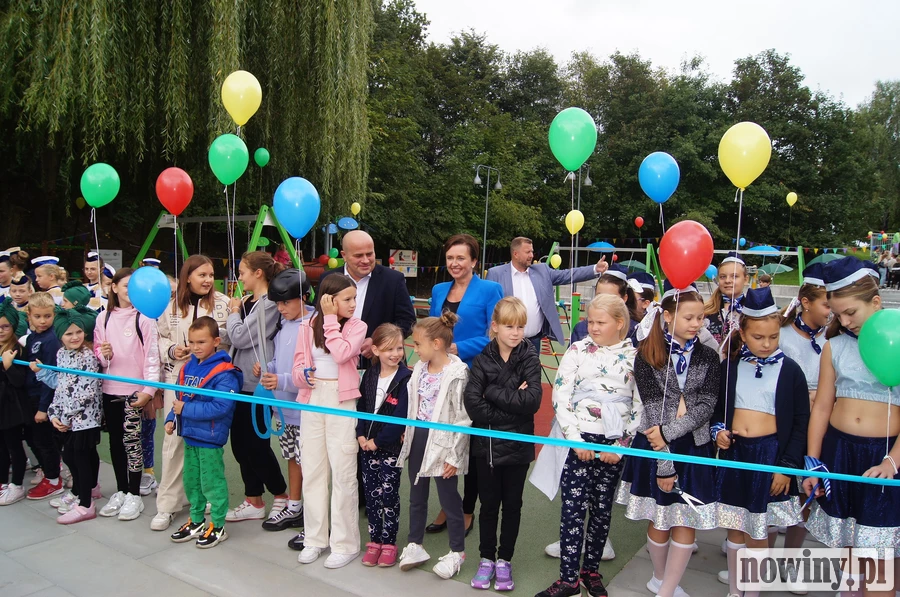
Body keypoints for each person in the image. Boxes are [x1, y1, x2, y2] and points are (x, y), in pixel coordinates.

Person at [803, 257, 900, 596]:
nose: (844, 321)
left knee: (879, 560)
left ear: (875, 301)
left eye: (851, 313)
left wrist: (892, 461)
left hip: (884, 460)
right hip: (840, 454)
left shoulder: (898, 344)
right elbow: (822, 408)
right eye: (837, 314)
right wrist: (812, 461)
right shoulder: (835, 346)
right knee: (847, 553)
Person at [616, 282, 719, 597]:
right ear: (668, 316)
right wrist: (665, 464)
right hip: (655, 447)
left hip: (694, 445)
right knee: (660, 517)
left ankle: (667, 590)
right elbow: (651, 412)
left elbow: (706, 407)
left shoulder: (708, 356)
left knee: (686, 517)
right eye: (689, 317)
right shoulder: (647, 355)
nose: (696, 324)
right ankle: (659, 578)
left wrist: (671, 427)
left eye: (700, 318)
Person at [535, 294, 642, 597]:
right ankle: (568, 578)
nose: (592, 327)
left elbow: (639, 405)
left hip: (612, 444)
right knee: (572, 508)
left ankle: (590, 571)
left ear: (619, 323)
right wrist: (575, 440)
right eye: (590, 321)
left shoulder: (636, 357)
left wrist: (620, 447)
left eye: (600, 322)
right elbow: (561, 397)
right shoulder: (577, 350)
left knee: (601, 509)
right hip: (579, 441)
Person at [712, 287, 809, 597]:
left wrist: (786, 466)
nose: (766, 344)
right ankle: (735, 589)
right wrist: (719, 433)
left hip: (770, 456)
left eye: (773, 337)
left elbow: (799, 423)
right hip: (736, 454)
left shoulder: (791, 371)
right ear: (743, 332)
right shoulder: (729, 367)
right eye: (758, 338)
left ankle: (751, 592)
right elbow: (718, 411)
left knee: (758, 529)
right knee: (736, 526)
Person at [464, 297, 542, 591]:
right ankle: (486, 558)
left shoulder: (530, 358)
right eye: (509, 326)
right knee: (488, 506)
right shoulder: (483, 359)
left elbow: (532, 401)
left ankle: (504, 560)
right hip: (487, 447)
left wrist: (493, 392)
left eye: (520, 326)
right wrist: (511, 399)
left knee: (513, 505)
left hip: (518, 446)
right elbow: (473, 404)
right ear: (495, 327)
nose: (516, 332)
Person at [428, 233, 502, 536]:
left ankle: (467, 507)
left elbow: (496, 334)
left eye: (461, 258)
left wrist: (461, 348)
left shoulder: (490, 289)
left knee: (469, 444)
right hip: (441, 376)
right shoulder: (438, 290)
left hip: (475, 376)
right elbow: (432, 329)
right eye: (450, 258)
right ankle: (448, 503)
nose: (454, 263)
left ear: (474, 261)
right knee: (444, 440)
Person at [291, 274, 366, 568]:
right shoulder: (307, 325)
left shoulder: (357, 326)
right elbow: (298, 363)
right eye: (347, 299)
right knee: (313, 471)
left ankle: (345, 543)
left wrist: (331, 320)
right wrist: (302, 375)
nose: (353, 304)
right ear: (328, 299)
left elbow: (342, 353)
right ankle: (314, 538)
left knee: (343, 471)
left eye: (354, 298)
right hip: (312, 397)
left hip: (341, 399)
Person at [152, 255, 230, 532]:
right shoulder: (171, 306)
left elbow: (228, 339)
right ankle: (168, 504)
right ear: (187, 277)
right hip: (179, 379)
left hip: (210, 382)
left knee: (205, 445)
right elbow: (159, 338)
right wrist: (173, 351)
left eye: (211, 275)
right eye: (202, 275)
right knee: (174, 444)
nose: (208, 280)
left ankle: (206, 499)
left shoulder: (223, 304)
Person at [396, 312, 471, 580]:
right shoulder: (419, 368)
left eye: (418, 344)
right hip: (418, 437)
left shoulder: (457, 372)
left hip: (443, 442)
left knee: (449, 498)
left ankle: (457, 551)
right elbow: (415, 404)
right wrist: (408, 430)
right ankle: (415, 544)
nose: (414, 349)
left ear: (436, 343)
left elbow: (463, 418)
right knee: (416, 494)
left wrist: (454, 455)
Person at [224, 251, 289, 526]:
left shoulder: (268, 304)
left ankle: (281, 494)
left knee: (257, 444)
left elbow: (237, 336)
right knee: (239, 443)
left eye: (243, 272)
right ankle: (254, 499)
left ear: (258, 273)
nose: (240, 277)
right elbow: (230, 336)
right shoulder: (250, 302)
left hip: (258, 384)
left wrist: (233, 313)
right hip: (239, 380)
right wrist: (235, 318)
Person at [166, 317, 241, 549]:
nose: (196, 347)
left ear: (216, 341)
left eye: (202, 342)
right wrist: (172, 417)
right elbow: (180, 396)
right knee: (192, 481)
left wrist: (185, 409)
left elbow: (221, 407)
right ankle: (197, 520)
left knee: (211, 482)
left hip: (209, 437)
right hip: (189, 433)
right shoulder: (189, 365)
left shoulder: (225, 372)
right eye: (192, 342)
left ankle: (218, 525)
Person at [93, 268, 160, 522]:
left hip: (134, 393)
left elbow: (152, 357)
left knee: (133, 444)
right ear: (113, 288)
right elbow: (99, 351)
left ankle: (134, 494)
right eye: (125, 286)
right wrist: (104, 354)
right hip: (110, 390)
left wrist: (148, 391)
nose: (130, 291)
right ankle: (121, 490)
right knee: (115, 444)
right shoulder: (103, 318)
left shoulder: (144, 318)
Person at [774, 263, 830, 556]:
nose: (830, 309)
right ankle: (761, 561)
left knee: (807, 495)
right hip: (787, 424)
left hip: (818, 427)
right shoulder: (782, 335)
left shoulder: (831, 338)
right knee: (777, 493)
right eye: (825, 303)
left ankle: (792, 558)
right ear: (805, 303)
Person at [256, 268, 312, 547]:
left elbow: (312, 374)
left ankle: (314, 518)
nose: (280, 308)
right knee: (292, 457)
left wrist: (282, 379)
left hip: (306, 412)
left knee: (311, 464)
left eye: (285, 303)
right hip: (284, 409)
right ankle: (295, 505)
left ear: (302, 297)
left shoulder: (314, 324)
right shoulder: (282, 324)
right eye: (277, 304)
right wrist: (267, 370)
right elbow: (280, 360)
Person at [486, 237, 608, 353]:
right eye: (527, 252)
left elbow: (567, 275)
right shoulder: (496, 274)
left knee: (531, 375)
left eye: (532, 251)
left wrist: (595, 269)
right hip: (505, 342)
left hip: (533, 341)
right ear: (515, 254)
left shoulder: (542, 271)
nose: (531, 255)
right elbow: (488, 308)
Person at [357, 323, 412, 568]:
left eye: (399, 348)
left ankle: (389, 543)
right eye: (389, 349)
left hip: (389, 449)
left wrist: (378, 441)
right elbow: (361, 408)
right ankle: (374, 541)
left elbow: (401, 417)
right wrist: (360, 436)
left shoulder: (405, 379)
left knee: (389, 495)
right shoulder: (369, 375)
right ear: (376, 350)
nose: (395, 354)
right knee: (371, 496)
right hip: (366, 448)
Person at [321, 230, 416, 362]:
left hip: (381, 365)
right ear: (344, 255)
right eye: (358, 255)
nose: (365, 260)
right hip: (333, 364)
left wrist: (379, 341)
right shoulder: (327, 279)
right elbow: (318, 317)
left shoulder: (393, 280)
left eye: (369, 254)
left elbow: (408, 321)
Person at [45, 306, 102, 524]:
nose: (75, 337)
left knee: (78, 456)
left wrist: (66, 417)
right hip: (70, 418)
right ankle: (87, 490)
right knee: (73, 455)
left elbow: (87, 392)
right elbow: (62, 387)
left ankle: (86, 504)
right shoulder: (61, 354)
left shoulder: (87, 357)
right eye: (69, 333)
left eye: (78, 332)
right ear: (60, 336)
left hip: (86, 418)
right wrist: (54, 413)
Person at [24, 292, 64, 500]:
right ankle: (51, 472)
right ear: (29, 315)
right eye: (38, 316)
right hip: (31, 395)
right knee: (36, 439)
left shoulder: (51, 340)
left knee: (45, 441)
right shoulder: (32, 337)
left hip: (43, 398)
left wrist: (43, 407)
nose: (42, 321)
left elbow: (50, 377)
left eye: (47, 316)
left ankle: (53, 480)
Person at [0, 298, 31, 505]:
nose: (1, 330)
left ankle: (17, 484)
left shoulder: (17, 350)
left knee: (14, 446)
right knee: (1, 447)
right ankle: (3, 482)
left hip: (12, 408)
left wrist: (8, 366)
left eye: (5, 326)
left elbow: (20, 381)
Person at [569, 264, 641, 347]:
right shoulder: (581, 328)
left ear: (624, 298)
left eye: (610, 297)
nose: (603, 301)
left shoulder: (635, 332)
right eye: (599, 296)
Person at [704, 252, 749, 350]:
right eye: (723, 276)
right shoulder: (705, 311)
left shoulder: (752, 311)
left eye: (734, 276)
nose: (728, 280)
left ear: (745, 279)